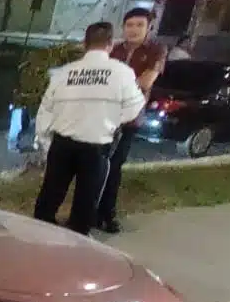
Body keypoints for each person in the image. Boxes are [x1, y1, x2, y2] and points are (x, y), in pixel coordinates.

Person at [31, 23, 146, 236]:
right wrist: (112, 119)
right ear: (111, 45)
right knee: (86, 202)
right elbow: (134, 110)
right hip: (96, 145)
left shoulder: (64, 73)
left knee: (50, 196)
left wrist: (45, 142)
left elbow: (45, 110)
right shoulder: (122, 73)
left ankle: (38, 236)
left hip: (62, 145)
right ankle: (78, 244)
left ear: (85, 44)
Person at [95, 8, 169, 233]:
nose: (133, 30)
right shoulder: (114, 49)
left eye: (139, 25)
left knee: (115, 167)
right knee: (95, 166)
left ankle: (107, 214)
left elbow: (146, 82)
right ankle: (88, 212)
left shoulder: (156, 50)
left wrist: (115, 85)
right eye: (129, 25)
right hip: (103, 116)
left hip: (128, 118)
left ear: (148, 28)